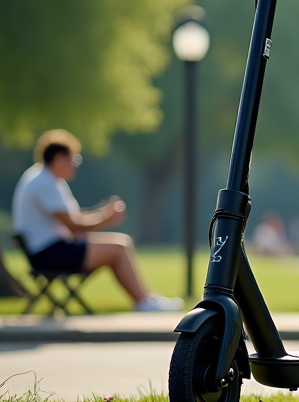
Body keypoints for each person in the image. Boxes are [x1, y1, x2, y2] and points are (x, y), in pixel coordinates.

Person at [12, 129, 183, 312]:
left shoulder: (44, 178)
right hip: (50, 253)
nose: (75, 166)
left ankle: (145, 299)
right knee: (120, 247)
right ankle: (144, 302)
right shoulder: (45, 182)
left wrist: (101, 212)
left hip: (50, 249)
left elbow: (73, 218)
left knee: (120, 244)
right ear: (60, 158)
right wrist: (105, 218)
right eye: (74, 159)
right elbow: (73, 226)